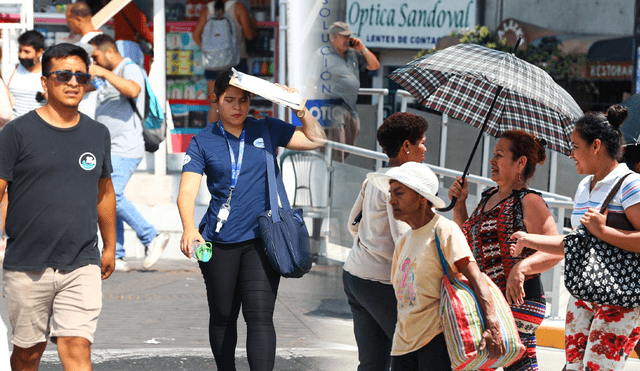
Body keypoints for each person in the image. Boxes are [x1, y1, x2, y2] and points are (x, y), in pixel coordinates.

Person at [177, 69, 326, 370]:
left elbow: (316, 140)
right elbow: (187, 190)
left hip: (262, 239)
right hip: (219, 242)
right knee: (223, 315)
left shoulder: (266, 129)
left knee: (260, 316)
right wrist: (189, 227)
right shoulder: (203, 141)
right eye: (229, 100)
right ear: (216, 101)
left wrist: (299, 109)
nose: (237, 107)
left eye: (243, 101)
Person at [0, 42, 116, 371]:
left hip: (81, 261)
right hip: (27, 264)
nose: (74, 82)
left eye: (81, 76)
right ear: (45, 81)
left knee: (77, 347)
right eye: (64, 74)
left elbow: (104, 192)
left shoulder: (97, 133)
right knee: (28, 354)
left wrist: (110, 246)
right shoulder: (16, 133)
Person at [510, 105, 640, 371]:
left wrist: (604, 231)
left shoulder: (630, 184)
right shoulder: (583, 187)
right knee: (573, 367)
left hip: (621, 298)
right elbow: (575, 243)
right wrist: (527, 239)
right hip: (583, 292)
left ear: (596, 146)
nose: (570, 154)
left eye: (575, 146)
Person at [366, 162, 506, 371]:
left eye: (399, 193)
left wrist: (492, 324)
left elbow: (475, 277)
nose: (392, 200)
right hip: (402, 346)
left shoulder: (443, 230)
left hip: (435, 343)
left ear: (422, 197)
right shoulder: (404, 241)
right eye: (390, 194)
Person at [447, 130, 562, 371]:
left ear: (520, 162)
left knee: (515, 364)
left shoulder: (529, 201)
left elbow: (557, 249)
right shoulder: (488, 196)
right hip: (488, 298)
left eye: (500, 155)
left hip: (518, 300)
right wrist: (460, 204)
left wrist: (521, 268)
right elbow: (467, 240)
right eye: (493, 154)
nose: (492, 161)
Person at [344, 112, 426, 371]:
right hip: (381, 285)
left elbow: (352, 224)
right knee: (410, 355)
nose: (425, 149)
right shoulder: (401, 183)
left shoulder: (375, 177)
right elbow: (403, 238)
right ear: (406, 147)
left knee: (372, 362)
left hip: (355, 276)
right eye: (422, 142)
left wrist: (371, 248)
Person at [88, 34, 169, 272]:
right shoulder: (106, 75)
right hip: (108, 149)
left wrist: (104, 73)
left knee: (111, 196)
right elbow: (87, 87)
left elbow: (133, 90)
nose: (95, 61)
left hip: (126, 147)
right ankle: (118, 253)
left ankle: (151, 236)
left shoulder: (129, 68)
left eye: (95, 56)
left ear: (109, 52)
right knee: (108, 197)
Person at [310, 21, 380, 162]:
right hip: (331, 106)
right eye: (344, 37)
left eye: (349, 37)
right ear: (333, 38)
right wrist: (312, 111)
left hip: (351, 108)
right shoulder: (321, 55)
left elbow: (375, 66)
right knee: (337, 149)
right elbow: (310, 82)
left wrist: (362, 48)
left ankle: (327, 168)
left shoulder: (353, 54)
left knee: (347, 146)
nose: (347, 40)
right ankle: (333, 176)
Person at [193, 0, 256, 124]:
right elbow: (249, 35)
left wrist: (210, 52)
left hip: (212, 65)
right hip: (235, 64)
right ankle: (234, 138)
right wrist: (253, 24)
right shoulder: (238, 8)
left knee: (215, 104)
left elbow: (196, 35)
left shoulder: (209, 9)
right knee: (237, 104)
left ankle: (210, 139)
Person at [66, 1, 102, 119]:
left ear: (78, 19)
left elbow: (98, 78)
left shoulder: (89, 43)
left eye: (68, 20)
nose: (68, 24)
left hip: (88, 109)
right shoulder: (101, 40)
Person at [6, 30, 46, 119]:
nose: (21, 55)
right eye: (20, 50)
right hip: (14, 129)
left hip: (40, 128)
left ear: (39, 52)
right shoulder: (10, 71)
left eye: (26, 52)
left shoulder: (49, 74)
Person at [112, 1, 154, 67]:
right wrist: (154, 42)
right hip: (129, 44)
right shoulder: (127, 4)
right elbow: (141, 26)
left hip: (126, 43)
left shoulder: (123, 3)